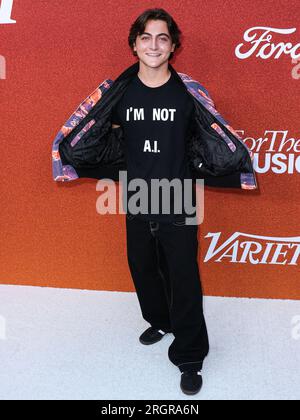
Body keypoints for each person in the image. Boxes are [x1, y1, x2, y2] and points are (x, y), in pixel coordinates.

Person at [111, 8, 209, 396]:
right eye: (146, 38)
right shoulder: (119, 92)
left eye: (162, 38)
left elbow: (209, 136)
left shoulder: (188, 93)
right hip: (137, 196)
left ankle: (190, 356)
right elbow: (103, 135)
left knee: (184, 278)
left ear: (173, 46)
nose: (154, 45)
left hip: (178, 198)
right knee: (143, 267)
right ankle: (160, 319)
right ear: (135, 45)